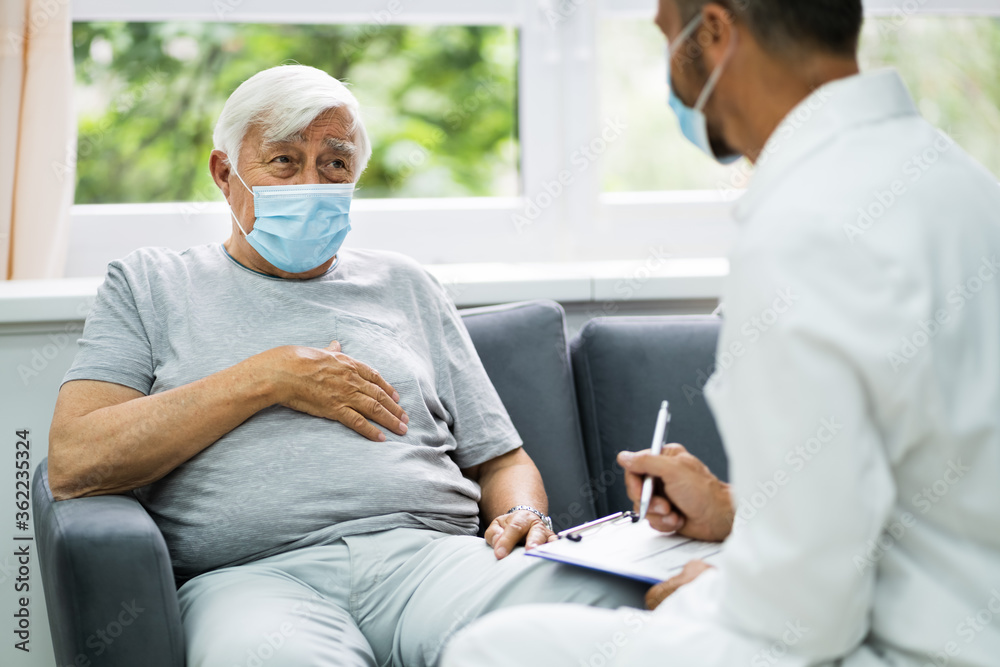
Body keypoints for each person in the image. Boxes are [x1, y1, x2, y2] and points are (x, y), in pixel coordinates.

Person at [442, 0, 1000, 665]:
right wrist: (737, 513)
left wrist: (713, 595)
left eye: (664, 37)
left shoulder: (803, 225)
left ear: (711, 31)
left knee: (492, 649)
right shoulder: (961, 183)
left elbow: (804, 617)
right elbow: (903, 497)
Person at [47, 64, 646, 667]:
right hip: (254, 582)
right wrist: (266, 378)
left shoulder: (407, 284)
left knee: (601, 603)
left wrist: (523, 512)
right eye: (282, 161)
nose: (310, 182)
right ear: (225, 174)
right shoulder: (150, 284)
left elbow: (502, 460)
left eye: (333, 165)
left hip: (430, 562)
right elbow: (75, 462)